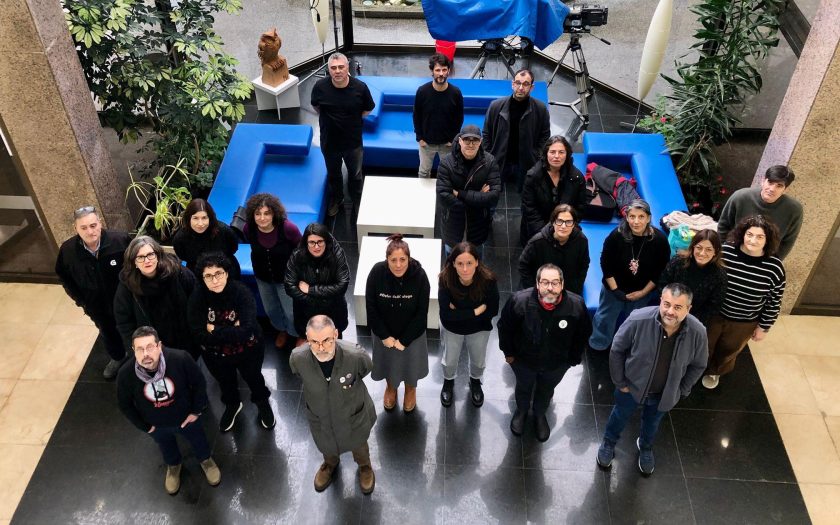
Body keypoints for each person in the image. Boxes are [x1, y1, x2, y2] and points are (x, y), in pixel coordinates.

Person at [596, 283, 708, 475]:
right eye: (666, 304)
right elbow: (617, 349)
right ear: (660, 301)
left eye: (678, 307)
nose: (670, 311)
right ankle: (608, 442)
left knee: (652, 423)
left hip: (664, 394)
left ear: (689, 309)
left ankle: (645, 447)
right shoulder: (638, 319)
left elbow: (699, 364)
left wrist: (682, 390)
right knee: (619, 416)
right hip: (630, 389)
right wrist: (620, 383)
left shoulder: (698, 332)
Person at [117, 326, 221, 495]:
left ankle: (206, 459)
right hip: (156, 425)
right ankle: (173, 465)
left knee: (198, 439)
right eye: (140, 349)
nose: (146, 354)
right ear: (133, 351)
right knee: (165, 446)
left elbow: (199, 383)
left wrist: (195, 412)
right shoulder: (126, 374)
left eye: (150, 347)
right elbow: (124, 404)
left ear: (159, 346)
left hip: (186, 418)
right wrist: (146, 427)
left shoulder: (180, 359)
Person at [497, 264, 591, 442]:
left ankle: (540, 414)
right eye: (545, 282)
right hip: (524, 361)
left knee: (546, 390)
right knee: (523, 387)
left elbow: (583, 334)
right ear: (537, 284)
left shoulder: (576, 305)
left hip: (556, 364)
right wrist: (508, 353)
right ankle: (522, 410)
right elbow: (504, 328)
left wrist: (573, 358)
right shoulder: (519, 302)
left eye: (555, 283)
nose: (550, 287)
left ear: (562, 285)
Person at [289, 315, 377, 494]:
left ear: (336, 334)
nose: (321, 348)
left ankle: (365, 466)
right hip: (320, 416)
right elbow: (299, 374)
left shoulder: (355, 356)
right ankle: (329, 464)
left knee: (359, 443)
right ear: (307, 339)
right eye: (314, 342)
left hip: (352, 414)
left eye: (327, 340)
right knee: (325, 441)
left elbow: (366, 368)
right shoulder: (298, 358)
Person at [187, 252, 274, 432]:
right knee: (225, 382)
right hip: (216, 355)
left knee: (254, 378)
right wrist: (232, 328)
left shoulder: (241, 293)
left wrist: (214, 329)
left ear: (226, 273)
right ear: (202, 278)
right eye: (208, 276)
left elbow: (246, 331)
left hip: (248, 350)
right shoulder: (198, 297)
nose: (215, 280)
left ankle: (262, 403)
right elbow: (198, 333)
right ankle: (233, 405)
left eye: (218, 273)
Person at [702, 215, 785, 389]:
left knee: (728, 350)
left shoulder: (774, 267)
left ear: (768, 239)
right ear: (742, 234)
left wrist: (764, 327)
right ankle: (698, 369)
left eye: (759, 236)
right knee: (704, 346)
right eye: (750, 234)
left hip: (744, 321)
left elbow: (774, 301)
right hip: (715, 314)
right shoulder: (725, 251)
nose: (753, 240)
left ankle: (715, 371)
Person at [55, 206, 132, 379]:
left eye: (93, 225)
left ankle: (140, 359)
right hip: (97, 307)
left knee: (135, 330)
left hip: (126, 302)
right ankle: (118, 357)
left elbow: (135, 268)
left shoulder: (120, 241)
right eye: (84, 227)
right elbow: (64, 277)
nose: (90, 231)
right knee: (107, 332)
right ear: (75, 229)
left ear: (100, 223)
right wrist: (81, 301)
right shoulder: (68, 251)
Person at [589, 199, 670, 352]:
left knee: (634, 322)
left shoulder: (659, 240)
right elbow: (606, 265)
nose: (636, 221)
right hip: (614, 290)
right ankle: (598, 345)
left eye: (641, 216)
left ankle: (626, 347)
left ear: (648, 218)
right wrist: (615, 291)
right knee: (604, 318)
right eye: (632, 216)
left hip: (641, 291)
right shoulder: (616, 236)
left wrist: (643, 293)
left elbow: (660, 271)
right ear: (626, 217)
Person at [365, 234, 430, 412]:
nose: (398, 264)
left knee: (411, 365)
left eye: (403, 259)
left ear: (409, 258)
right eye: (393, 260)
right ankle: (391, 387)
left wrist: (405, 340)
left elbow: (421, 313)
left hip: (412, 334)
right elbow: (371, 307)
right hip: (385, 334)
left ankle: (410, 389)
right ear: (387, 260)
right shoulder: (377, 273)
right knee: (388, 364)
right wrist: (384, 335)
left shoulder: (420, 276)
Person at [310, 52, 376, 216]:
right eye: (333, 68)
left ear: (348, 67)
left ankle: (357, 200)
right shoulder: (320, 87)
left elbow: (368, 109)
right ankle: (337, 198)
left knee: (355, 175)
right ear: (329, 70)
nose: (337, 71)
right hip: (329, 142)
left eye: (341, 67)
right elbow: (316, 106)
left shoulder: (360, 88)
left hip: (352, 143)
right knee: (334, 174)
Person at [438, 242, 500, 408]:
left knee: (478, 360)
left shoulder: (488, 281)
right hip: (454, 329)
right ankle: (449, 382)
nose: (465, 269)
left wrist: (457, 311)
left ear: (477, 262)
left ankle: (475, 381)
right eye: (460, 264)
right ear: (453, 264)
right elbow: (446, 314)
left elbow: (493, 310)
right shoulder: (445, 279)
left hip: (479, 329)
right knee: (449, 360)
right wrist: (475, 311)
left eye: (469, 263)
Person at [114, 236, 196, 358]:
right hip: (154, 348)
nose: (147, 260)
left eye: (150, 254)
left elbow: (198, 302)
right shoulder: (127, 287)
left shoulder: (178, 273)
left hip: (186, 340)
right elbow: (124, 323)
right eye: (140, 257)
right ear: (134, 262)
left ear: (158, 256)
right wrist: (137, 352)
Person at [242, 192, 302, 348]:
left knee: (291, 311)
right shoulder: (250, 229)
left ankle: (298, 333)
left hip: (286, 279)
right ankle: (282, 330)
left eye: (267, 213)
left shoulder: (288, 228)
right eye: (258, 214)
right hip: (263, 278)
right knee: (271, 310)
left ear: (274, 213)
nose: (262, 218)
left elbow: (302, 250)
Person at [482, 68, 550, 192]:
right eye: (518, 83)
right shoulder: (495, 106)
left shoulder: (541, 109)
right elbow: (486, 133)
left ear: (532, 87)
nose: (521, 87)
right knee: (494, 193)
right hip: (499, 160)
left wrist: (536, 154)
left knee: (525, 195)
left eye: (525, 84)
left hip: (525, 162)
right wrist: (490, 155)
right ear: (513, 84)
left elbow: (545, 135)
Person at [436, 124, 502, 254]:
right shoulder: (446, 163)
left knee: (477, 258)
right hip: (453, 223)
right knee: (451, 258)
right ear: (460, 140)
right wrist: (477, 198)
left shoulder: (490, 162)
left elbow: (493, 196)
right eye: (467, 140)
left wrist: (459, 193)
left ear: (480, 142)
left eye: (475, 140)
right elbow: (443, 195)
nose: (471, 144)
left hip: (478, 224)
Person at [717, 165, 803, 260]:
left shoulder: (794, 210)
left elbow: (788, 242)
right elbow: (723, 226)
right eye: (770, 182)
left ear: (786, 189)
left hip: (766, 261)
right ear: (763, 181)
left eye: (779, 185)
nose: (772, 189)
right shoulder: (740, 197)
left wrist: (771, 264)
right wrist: (723, 254)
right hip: (732, 254)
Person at [285, 223, 351, 343]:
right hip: (306, 311)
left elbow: (342, 285)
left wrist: (311, 290)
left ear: (326, 241)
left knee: (335, 342)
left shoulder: (337, 254)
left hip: (333, 311)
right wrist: (318, 300)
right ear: (306, 242)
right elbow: (289, 286)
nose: (316, 247)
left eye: (320, 241)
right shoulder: (297, 256)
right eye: (312, 242)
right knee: (310, 342)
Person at [520, 135, 587, 244]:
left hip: (565, 229)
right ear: (546, 154)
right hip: (538, 230)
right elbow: (530, 209)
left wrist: (565, 227)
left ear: (567, 154)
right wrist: (547, 233)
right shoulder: (533, 176)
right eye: (552, 152)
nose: (557, 156)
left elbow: (580, 207)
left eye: (561, 152)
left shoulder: (577, 178)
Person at [657, 229, 727, 326]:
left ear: (716, 251)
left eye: (708, 249)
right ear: (693, 247)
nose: (702, 253)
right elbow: (662, 285)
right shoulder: (678, 262)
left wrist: (689, 320)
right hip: (668, 314)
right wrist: (669, 310)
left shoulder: (719, 275)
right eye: (699, 247)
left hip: (693, 322)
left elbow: (713, 306)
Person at [518, 204, 589, 294]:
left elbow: (584, 265)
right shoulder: (537, 242)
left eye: (568, 222)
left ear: (574, 224)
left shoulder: (581, 241)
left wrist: (576, 288)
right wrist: (535, 289)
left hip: (567, 290)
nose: (563, 226)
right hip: (542, 289)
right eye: (559, 221)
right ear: (553, 222)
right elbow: (523, 264)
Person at [413, 53, 464, 178]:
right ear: (432, 71)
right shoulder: (422, 91)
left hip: (447, 144)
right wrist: (419, 137)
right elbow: (416, 115)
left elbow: (459, 117)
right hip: (427, 143)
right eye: (437, 70)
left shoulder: (455, 93)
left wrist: (453, 138)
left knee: (448, 174)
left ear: (448, 71)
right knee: (424, 172)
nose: (441, 73)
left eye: (444, 70)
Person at [173, 198, 241, 280]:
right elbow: (182, 255)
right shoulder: (180, 238)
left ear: (210, 218)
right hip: (198, 276)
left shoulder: (224, 231)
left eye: (204, 218)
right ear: (188, 219)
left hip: (227, 273)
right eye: (195, 218)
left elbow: (233, 247)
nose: (200, 224)